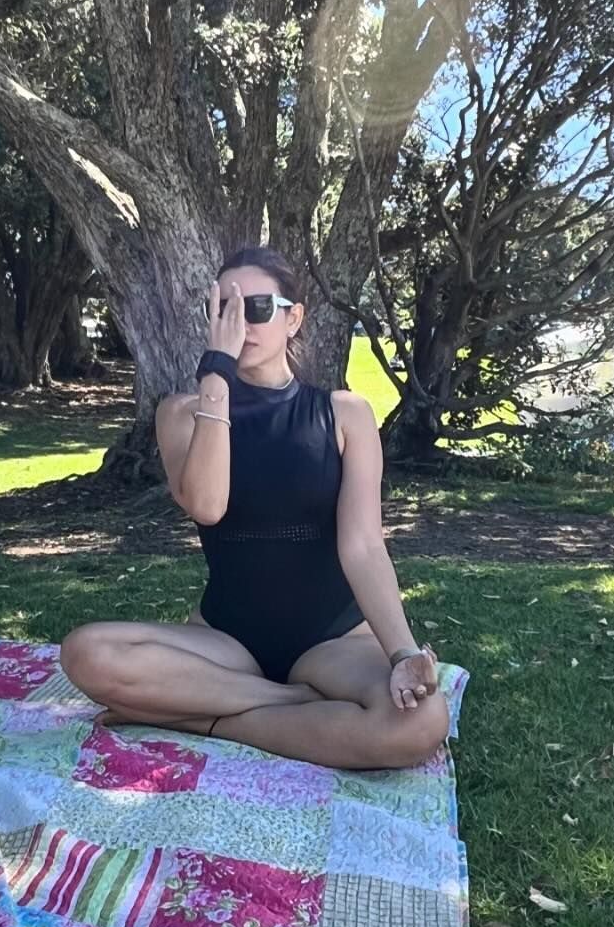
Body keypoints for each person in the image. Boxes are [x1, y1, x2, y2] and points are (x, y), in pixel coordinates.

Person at [60, 247, 448, 769]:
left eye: (258, 308)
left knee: (421, 722)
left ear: (294, 319)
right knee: (85, 653)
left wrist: (402, 654)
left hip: (332, 641)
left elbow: (363, 546)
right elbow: (207, 506)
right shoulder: (180, 413)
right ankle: (292, 703)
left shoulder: (345, 414)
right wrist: (215, 376)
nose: (240, 323)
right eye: (223, 309)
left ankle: (206, 719)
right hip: (226, 641)